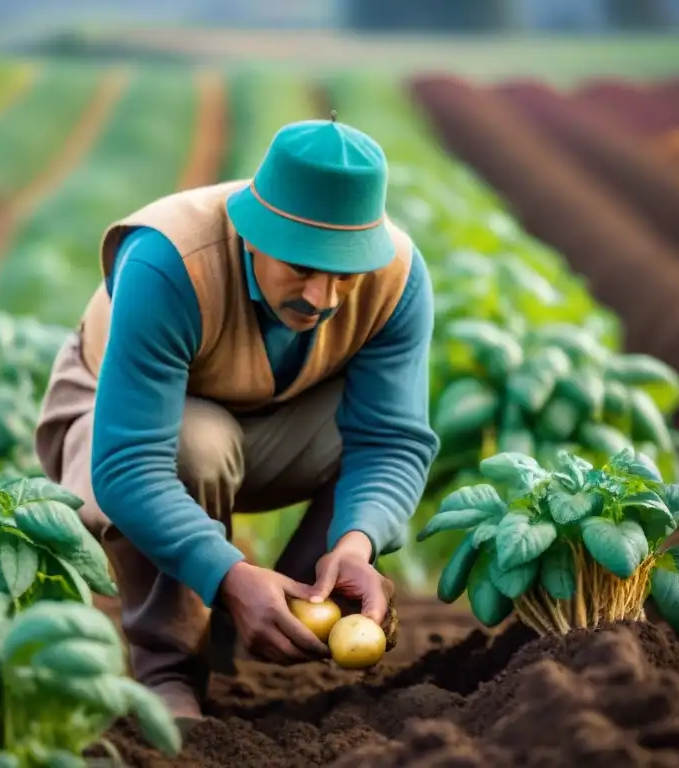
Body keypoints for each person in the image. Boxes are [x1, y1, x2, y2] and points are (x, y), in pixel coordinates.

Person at [34, 114, 439, 724]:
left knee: (360, 444)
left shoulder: (398, 280)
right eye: (301, 268)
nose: (322, 298)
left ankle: (294, 594)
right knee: (194, 442)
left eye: (344, 275)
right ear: (253, 234)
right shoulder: (168, 261)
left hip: (281, 418)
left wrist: (355, 545)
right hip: (118, 422)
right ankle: (168, 667)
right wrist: (227, 574)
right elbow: (127, 465)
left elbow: (392, 441)